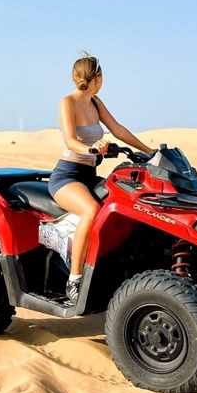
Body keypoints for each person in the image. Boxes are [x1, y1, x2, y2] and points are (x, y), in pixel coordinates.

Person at [49, 52, 154, 302]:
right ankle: (74, 280)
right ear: (97, 77)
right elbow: (71, 141)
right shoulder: (68, 102)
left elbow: (117, 130)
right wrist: (92, 149)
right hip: (66, 176)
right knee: (90, 211)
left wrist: (150, 151)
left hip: (89, 175)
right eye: (102, 74)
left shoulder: (95, 102)